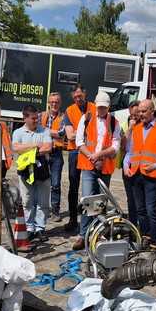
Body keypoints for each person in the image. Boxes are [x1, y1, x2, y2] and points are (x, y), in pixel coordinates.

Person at [73, 91, 121, 250]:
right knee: (87, 200)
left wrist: (100, 155)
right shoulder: (86, 118)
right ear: (95, 105)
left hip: (105, 167)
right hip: (88, 166)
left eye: (104, 108)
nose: (101, 110)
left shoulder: (114, 122)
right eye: (99, 107)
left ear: (108, 107)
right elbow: (79, 142)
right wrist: (92, 157)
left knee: (100, 202)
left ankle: (97, 233)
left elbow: (115, 147)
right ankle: (83, 235)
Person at [124, 98, 156, 251]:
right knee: (140, 209)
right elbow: (130, 151)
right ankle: (146, 236)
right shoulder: (137, 128)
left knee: (151, 209)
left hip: (151, 176)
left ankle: (155, 241)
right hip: (135, 174)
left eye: (144, 111)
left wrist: (155, 165)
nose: (141, 114)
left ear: (152, 111)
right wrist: (126, 164)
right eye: (139, 111)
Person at [12, 105, 52, 240]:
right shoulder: (18, 133)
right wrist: (35, 146)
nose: (36, 121)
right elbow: (16, 148)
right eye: (33, 118)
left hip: (42, 170)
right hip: (25, 171)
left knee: (43, 200)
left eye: (37, 118)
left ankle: (40, 228)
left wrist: (26, 151)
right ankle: (29, 228)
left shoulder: (45, 131)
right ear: (25, 118)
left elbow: (48, 147)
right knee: (27, 200)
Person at [62, 85, 96, 233]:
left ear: (85, 93)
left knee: (91, 190)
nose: (78, 99)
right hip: (75, 152)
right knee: (73, 187)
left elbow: (99, 131)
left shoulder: (94, 108)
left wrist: (79, 133)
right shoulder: (69, 111)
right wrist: (86, 132)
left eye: (80, 96)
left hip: (91, 152)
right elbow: (69, 136)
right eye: (75, 97)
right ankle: (72, 220)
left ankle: (91, 222)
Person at [41, 92, 66, 221]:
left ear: (60, 103)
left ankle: (55, 211)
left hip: (56, 153)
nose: (54, 104)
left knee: (55, 183)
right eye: (52, 102)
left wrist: (45, 131)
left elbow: (62, 134)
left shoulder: (64, 117)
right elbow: (35, 129)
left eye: (56, 102)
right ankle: (43, 209)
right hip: (43, 153)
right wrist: (52, 133)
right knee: (42, 182)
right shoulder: (41, 116)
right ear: (48, 103)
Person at [120, 100, 142, 227]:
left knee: (140, 198)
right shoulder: (124, 125)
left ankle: (141, 223)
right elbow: (122, 146)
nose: (135, 117)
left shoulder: (145, 125)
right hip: (127, 164)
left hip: (141, 164)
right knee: (131, 198)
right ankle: (133, 224)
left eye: (137, 114)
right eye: (132, 114)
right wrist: (130, 128)